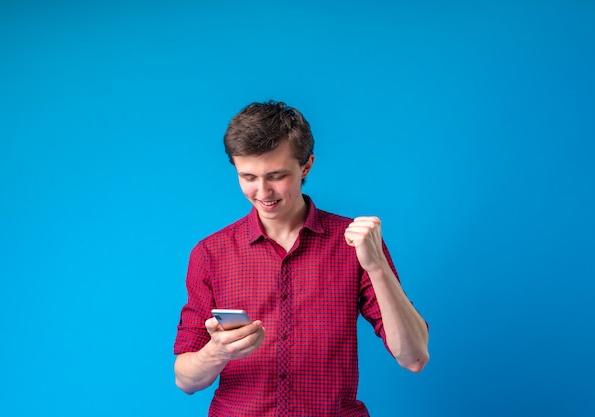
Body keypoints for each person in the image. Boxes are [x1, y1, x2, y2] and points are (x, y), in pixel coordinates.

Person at [173, 100, 429, 417]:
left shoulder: (354, 244)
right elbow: (185, 380)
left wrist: (376, 266)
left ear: (306, 166)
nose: (263, 192)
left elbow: (414, 357)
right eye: (248, 177)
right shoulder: (210, 253)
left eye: (276, 175)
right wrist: (216, 352)